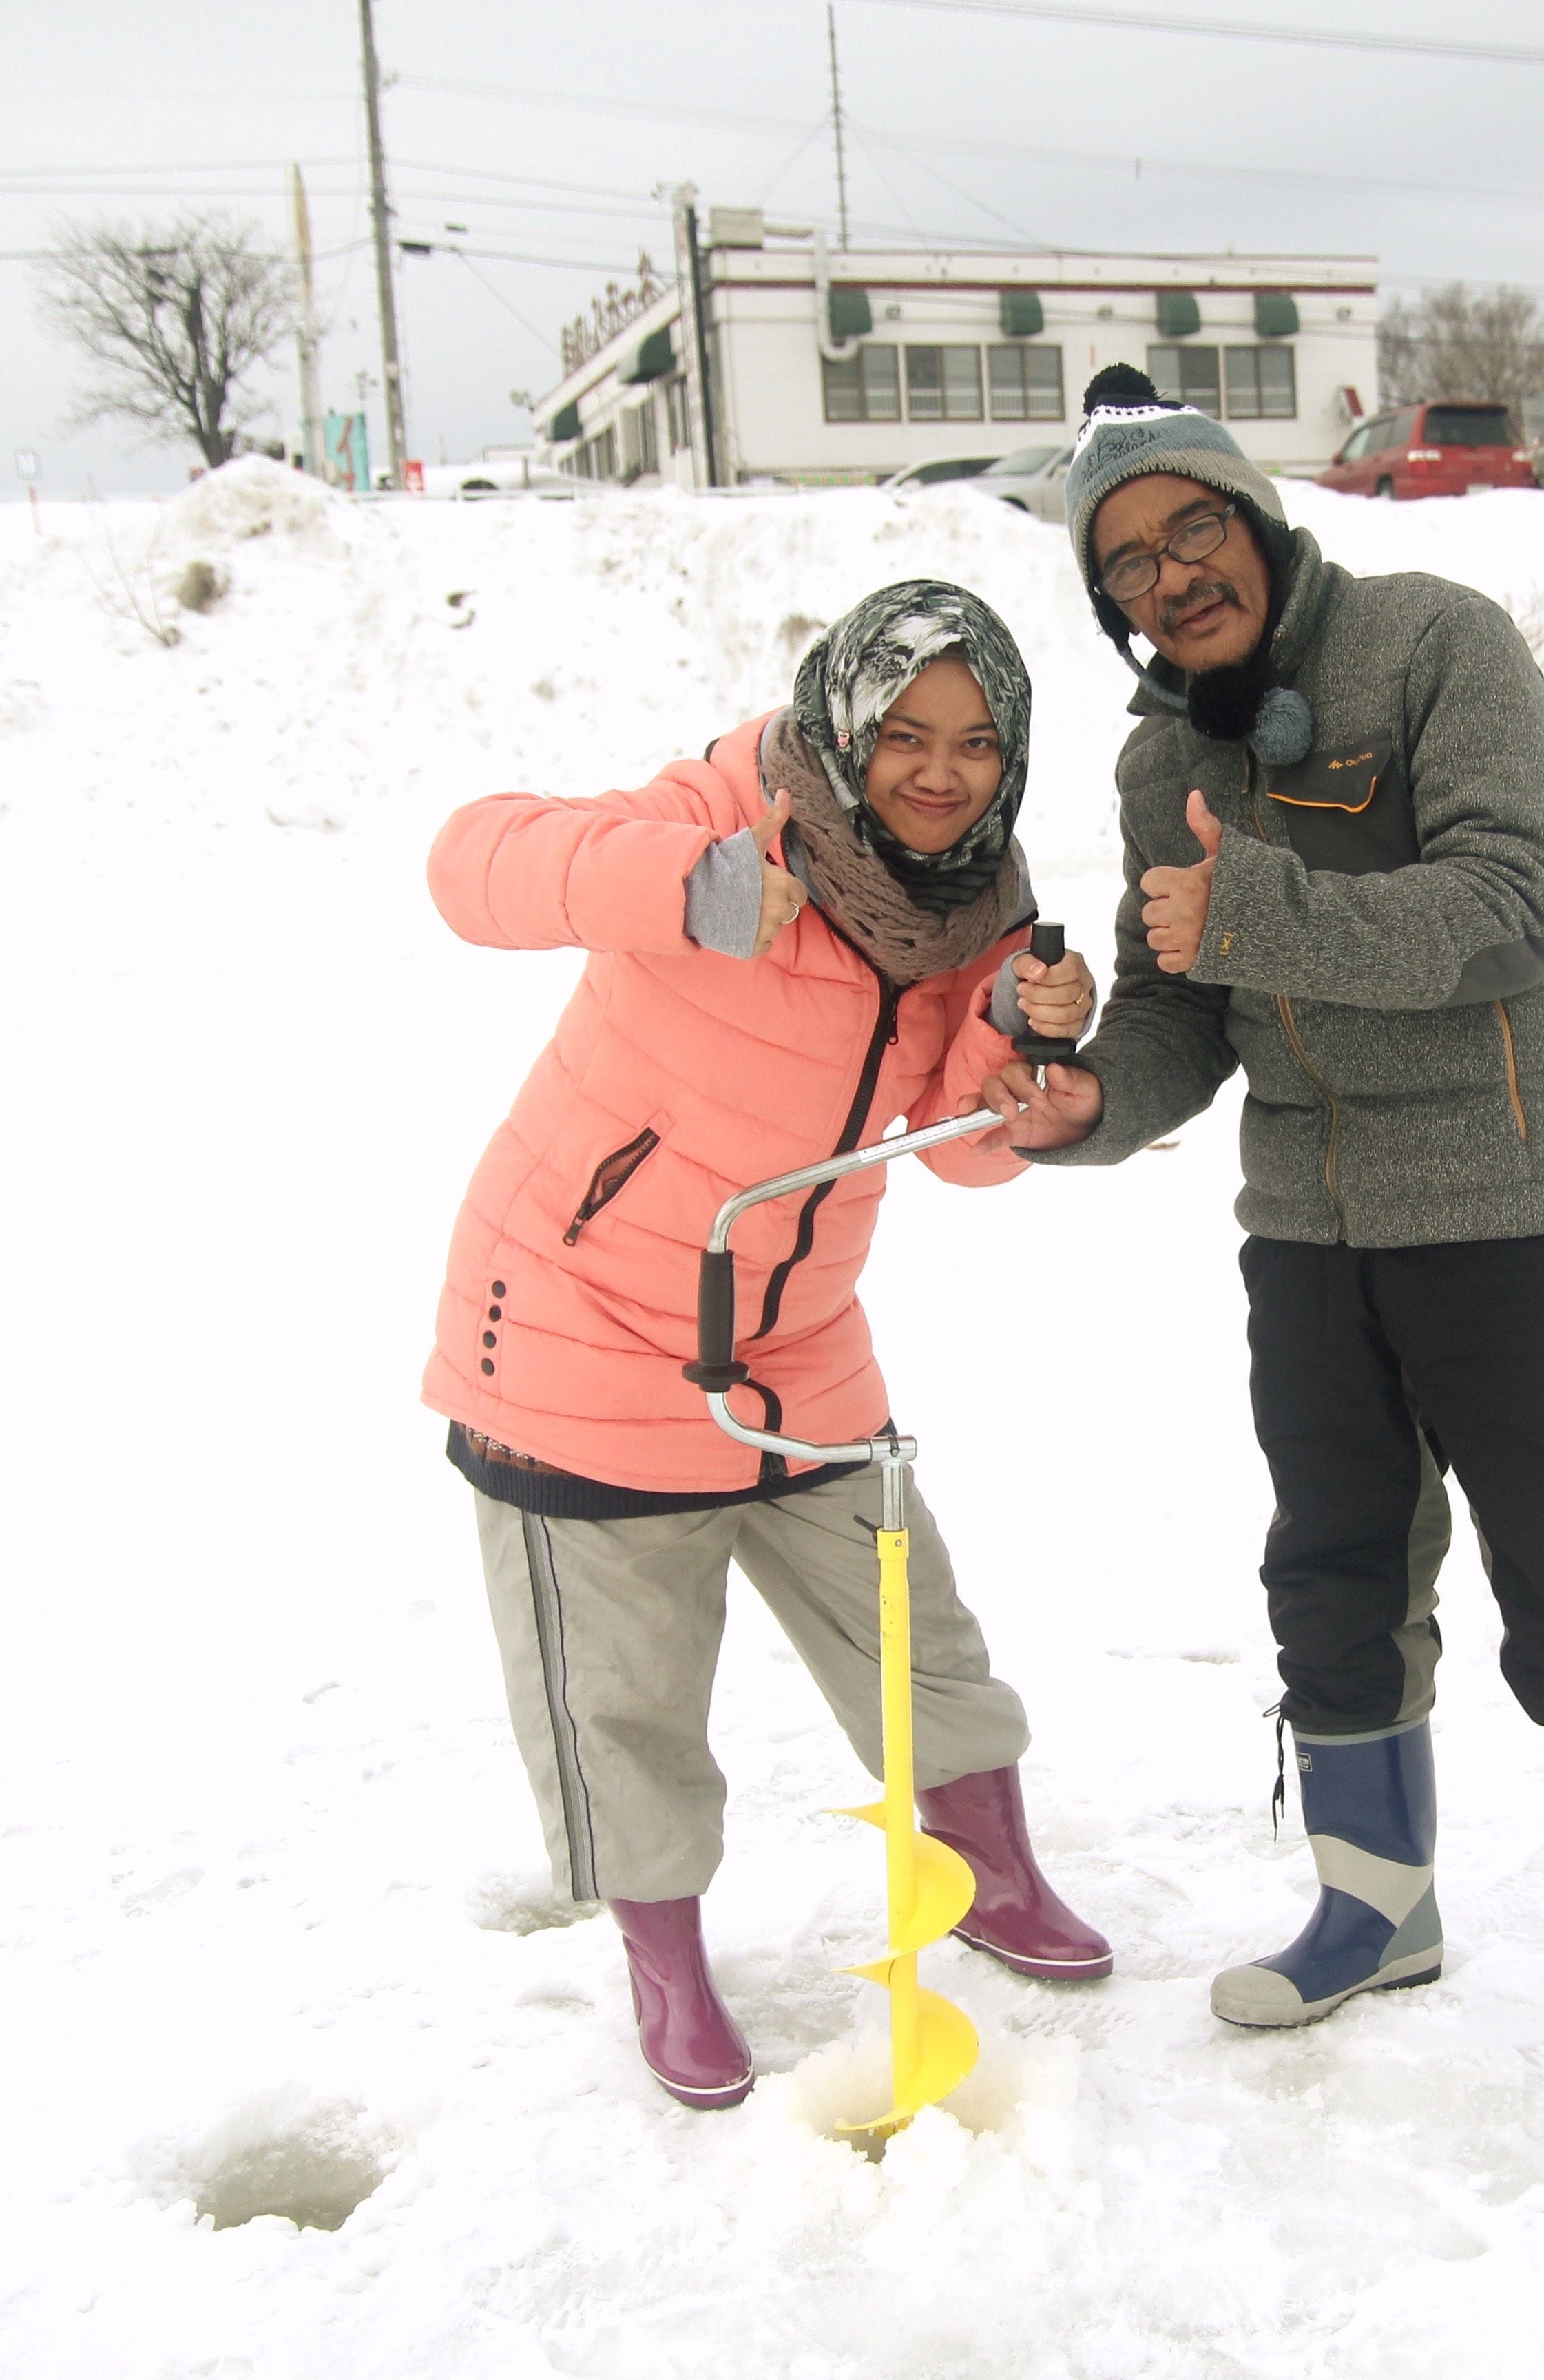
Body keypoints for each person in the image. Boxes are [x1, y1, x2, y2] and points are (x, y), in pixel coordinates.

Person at [979, 368, 1544, 2164]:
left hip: (1515, 1204)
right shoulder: (1167, 763)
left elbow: (1510, 908)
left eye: (1190, 532)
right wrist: (1082, 1100)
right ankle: (1379, 1906)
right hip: (1311, 1229)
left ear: (1254, 517)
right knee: (1331, 1578)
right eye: (1129, 565)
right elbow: (1182, 1016)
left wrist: (1256, 906)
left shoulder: (1435, 647)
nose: (1169, 580)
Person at [422, 580, 1110, 2112]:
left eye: (978, 741)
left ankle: (987, 1869)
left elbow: (959, 1148)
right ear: (845, 720)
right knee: (629, 1697)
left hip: (795, 1336)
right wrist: (690, 886)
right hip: (578, 1337)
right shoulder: (730, 806)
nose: (940, 770)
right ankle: (665, 1958)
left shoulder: (977, 905)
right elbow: (468, 866)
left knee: (915, 1629)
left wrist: (1028, 1060)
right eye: (909, 734)